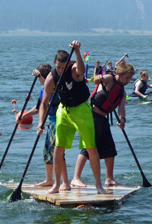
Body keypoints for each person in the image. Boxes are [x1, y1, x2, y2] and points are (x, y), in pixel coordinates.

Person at [37, 41, 108, 195]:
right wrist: (40, 123)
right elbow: (43, 103)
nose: (61, 70)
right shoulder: (51, 77)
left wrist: (77, 51)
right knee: (58, 147)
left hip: (81, 109)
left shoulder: (75, 68)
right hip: (64, 110)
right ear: (54, 63)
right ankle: (57, 185)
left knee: (90, 146)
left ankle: (98, 186)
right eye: (58, 67)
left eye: (63, 67)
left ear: (68, 63)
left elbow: (82, 70)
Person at [71, 61, 135, 187]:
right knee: (88, 147)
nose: (128, 81)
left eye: (130, 79)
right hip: (92, 117)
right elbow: (96, 80)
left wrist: (122, 120)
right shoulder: (110, 79)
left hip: (103, 120)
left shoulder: (122, 92)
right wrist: (98, 78)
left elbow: (121, 108)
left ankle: (109, 179)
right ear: (119, 74)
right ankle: (75, 178)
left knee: (110, 149)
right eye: (127, 78)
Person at [16, 63, 61, 186]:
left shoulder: (55, 88)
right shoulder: (43, 90)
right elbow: (39, 108)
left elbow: (48, 84)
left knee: (57, 152)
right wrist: (23, 116)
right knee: (47, 152)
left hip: (59, 122)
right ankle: (49, 180)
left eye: (40, 79)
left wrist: (40, 77)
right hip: (50, 123)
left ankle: (60, 182)